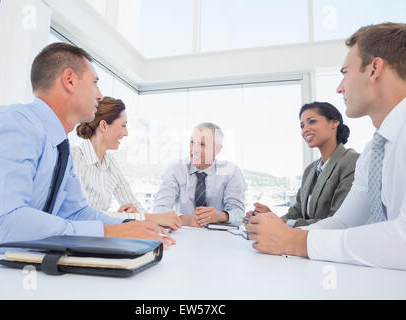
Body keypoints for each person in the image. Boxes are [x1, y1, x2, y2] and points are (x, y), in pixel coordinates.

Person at [0, 42, 175, 254]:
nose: (99, 95)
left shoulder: (59, 146)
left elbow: (76, 212)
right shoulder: (12, 125)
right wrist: (108, 232)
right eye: (94, 83)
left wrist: (129, 226)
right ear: (69, 80)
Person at [245, 22, 406, 270]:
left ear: (374, 69)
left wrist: (298, 242)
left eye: (345, 73)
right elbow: (344, 222)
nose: (339, 87)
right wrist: (282, 235)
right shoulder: (374, 152)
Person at [72, 96, 182, 230]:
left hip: (100, 236)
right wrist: (147, 217)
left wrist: (134, 213)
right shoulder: (75, 158)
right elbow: (84, 215)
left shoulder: (110, 163)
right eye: (123, 126)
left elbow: (134, 205)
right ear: (103, 126)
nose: (126, 133)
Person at [247, 102, 359, 227]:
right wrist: (270, 219)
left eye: (312, 122)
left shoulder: (352, 161)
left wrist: (279, 222)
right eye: (302, 126)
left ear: (334, 122)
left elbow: (337, 221)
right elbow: (296, 212)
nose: (305, 129)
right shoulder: (310, 170)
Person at [153, 122, 246, 227]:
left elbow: (239, 215)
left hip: (219, 236)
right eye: (192, 142)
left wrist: (221, 216)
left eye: (202, 144)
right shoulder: (176, 168)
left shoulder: (230, 171)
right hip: (182, 232)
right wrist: (187, 220)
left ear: (217, 149)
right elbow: (159, 209)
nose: (194, 150)